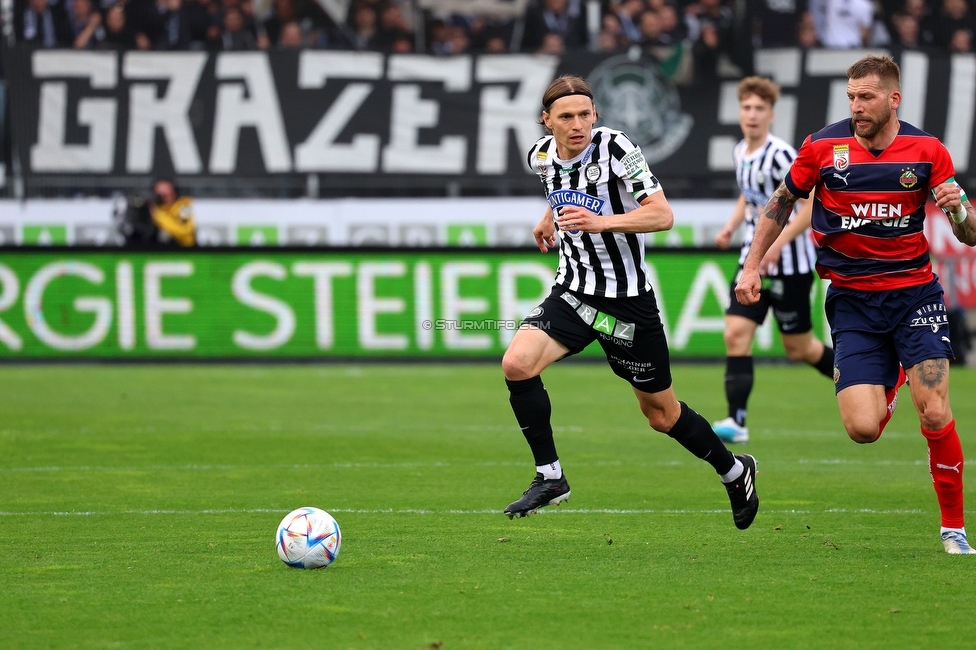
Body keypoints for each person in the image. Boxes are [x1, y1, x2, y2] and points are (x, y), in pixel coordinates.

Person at [735, 54, 976, 554]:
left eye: (866, 97)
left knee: (933, 413)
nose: (856, 106)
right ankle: (892, 374)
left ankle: (953, 527)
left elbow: (969, 235)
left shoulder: (927, 151)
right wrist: (752, 264)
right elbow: (780, 204)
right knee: (863, 430)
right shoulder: (823, 147)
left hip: (915, 297)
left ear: (893, 99)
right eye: (851, 96)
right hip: (851, 301)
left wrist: (961, 212)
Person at [501, 75, 759, 530]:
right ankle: (550, 475)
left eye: (585, 114)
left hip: (626, 306)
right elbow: (557, 188)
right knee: (517, 364)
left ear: (595, 114)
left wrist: (602, 223)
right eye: (566, 117)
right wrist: (547, 219)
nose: (577, 124)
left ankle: (735, 471)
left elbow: (663, 215)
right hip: (574, 294)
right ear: (547, 121)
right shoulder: (541, 156)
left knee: (662, 416)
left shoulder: (616, 148)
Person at [712, 77, 834, 444]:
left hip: (790, 264)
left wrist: (779, 241)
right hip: (752, 260)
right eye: (746, 108)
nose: (752, 115)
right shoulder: (740, 152)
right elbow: (748, 197)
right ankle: (737, 421)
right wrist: (731, 227)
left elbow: (809, 202)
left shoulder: (781, 153)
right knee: (735, 334)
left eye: (759, 109)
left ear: (771, 114)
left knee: (800, 348)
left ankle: (871, 378)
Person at [150, 178, 196, 247]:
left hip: (182, 250)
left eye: (166, 191)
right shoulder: (152, 207)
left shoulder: (183, 205)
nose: (163, 195)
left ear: (173, 191)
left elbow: (185, 231)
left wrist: (159, 216)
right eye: (160, 192)